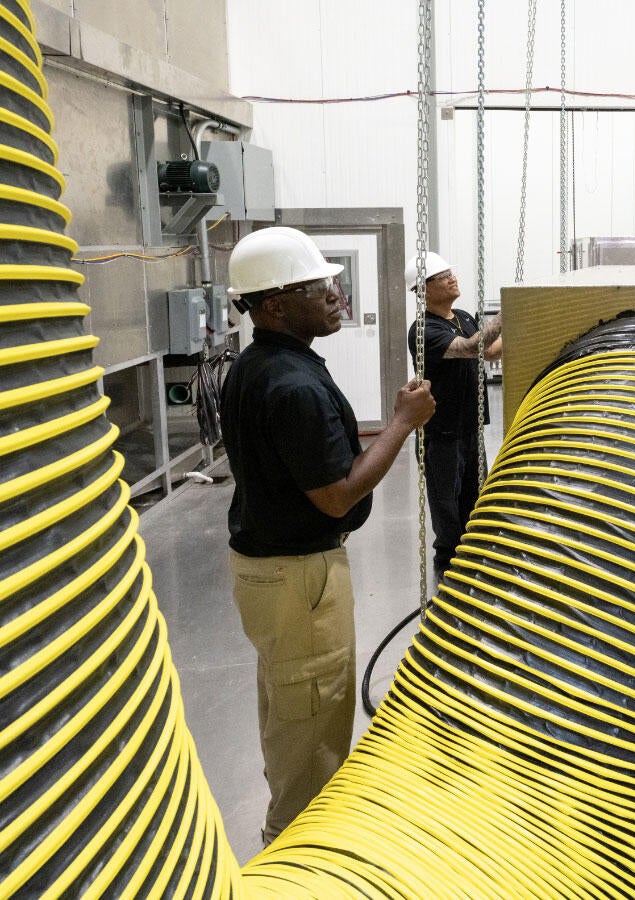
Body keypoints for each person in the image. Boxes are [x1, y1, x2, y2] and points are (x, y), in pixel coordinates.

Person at [221, 227, 435, 844]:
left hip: (273, 572)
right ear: (276, 306)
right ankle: (298, 852)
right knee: (312, 724)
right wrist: (401, 424)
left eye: (334, 282)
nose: (336, 294)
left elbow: (317, 463)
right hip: (300, 577)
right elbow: (337, 492)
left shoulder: (262, 366)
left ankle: (291, 829)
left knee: (291, 707)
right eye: (320, 287)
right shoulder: (292, 386)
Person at [405, 252, 502, 584]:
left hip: (471, 427)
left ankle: (474, 555)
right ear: (423, 290)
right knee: (447, 505)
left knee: (475, 498)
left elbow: (489, 351)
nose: (451, 277)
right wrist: (507, 315)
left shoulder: (461, 315)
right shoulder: (422, 329)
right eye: (441, 276)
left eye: (450, 271)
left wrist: (527, 326)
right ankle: (448, 565)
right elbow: (468, 347)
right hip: (443, 432)